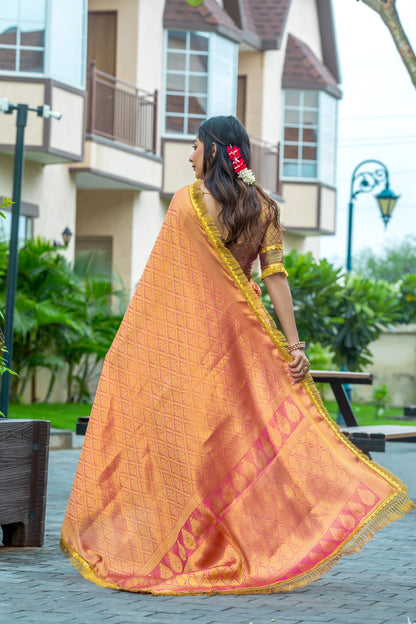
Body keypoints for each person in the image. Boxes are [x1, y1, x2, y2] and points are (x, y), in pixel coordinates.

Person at [61, 115, 413, 595]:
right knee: (227, 444)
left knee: (191, 445)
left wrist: (134, 347)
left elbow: (162, 284)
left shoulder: (186, 204)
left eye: (194, 146)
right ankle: (226, 542)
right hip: (239, 345)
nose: (189, 156)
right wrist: (295, 346)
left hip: (189, 347)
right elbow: (275, 278)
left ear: (213, 149)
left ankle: (184, 547)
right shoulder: (262, 206)